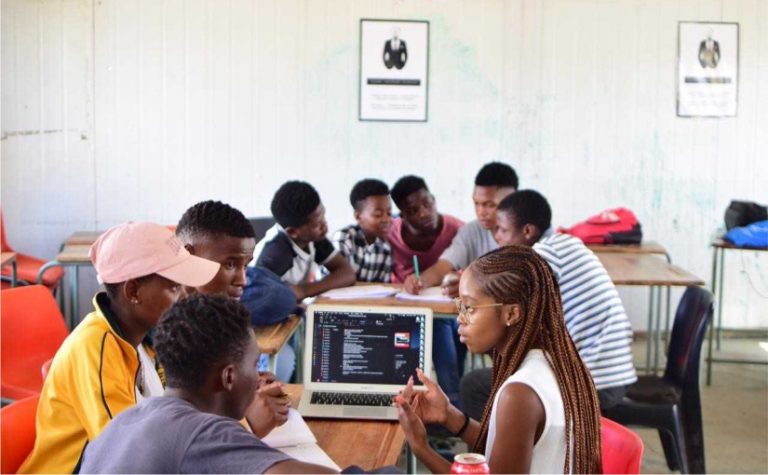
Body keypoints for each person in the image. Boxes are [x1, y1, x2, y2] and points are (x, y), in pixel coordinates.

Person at [20, 222, 220, 473]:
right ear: (133, 291)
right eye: (174, 287)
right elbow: (126, 450)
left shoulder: (146, 341)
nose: (185, 297)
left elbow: (176, 410)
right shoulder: (94, 348)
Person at [394, 246, 602, 474]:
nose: (460, 318)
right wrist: (450, 416)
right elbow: (507, 452)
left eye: (470, 307)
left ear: (511, 314)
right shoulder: (556, 362)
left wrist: (421, 447)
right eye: (460, 306)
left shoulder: (520, 393)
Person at [79, 294, 337, 474]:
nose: (258, 376)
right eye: (255, 365)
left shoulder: (123, 423)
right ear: (228, 377)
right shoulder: (204, 432)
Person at [461, 190, 637, 419]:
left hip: (594, 380)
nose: (497, 238)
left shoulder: (543, 255)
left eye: (503, 230)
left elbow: (498, 297)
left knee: (474, 386)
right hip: (613, 375)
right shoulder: (565, 245)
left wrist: (466, 286)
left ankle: (506, 452)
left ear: (527, 231)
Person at [176, 199, 295, 409]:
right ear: (188, 256)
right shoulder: (167, 331)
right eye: (230, 264)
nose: (243, 280)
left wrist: (249, 384)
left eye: (245, 266)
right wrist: (247, 417)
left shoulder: (220, 318)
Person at [387, 174, 465, 407]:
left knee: (450, 328)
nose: (423, 212)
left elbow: (470, 269)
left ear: (433, 199)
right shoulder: (391, 234)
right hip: (407, 311)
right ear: (402, 215)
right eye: (413, 210)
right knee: (437, 328)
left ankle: (453, 404)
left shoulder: (456, 229)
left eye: (427, 203)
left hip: (448, 307)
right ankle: (449, 403)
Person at [402, 162, 518, 297]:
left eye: (489, 205)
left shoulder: (527, 233)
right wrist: (420, 281)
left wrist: (471, 286)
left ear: (512, 200)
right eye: (476, 203)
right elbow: (444, 266)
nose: (480, 212)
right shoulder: (471, 231)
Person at [254, 181, 355, 301]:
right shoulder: (276, 253)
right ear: (293, 232)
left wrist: (304, 290)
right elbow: (259, 297)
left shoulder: (313, 237)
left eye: (323, 215)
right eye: (317, 224)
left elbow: (347, 273)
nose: (324, 225)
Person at [333, 178, 393, 283]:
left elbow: (382, 291)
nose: (386, 220)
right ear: (358, 216)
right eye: (378, 215)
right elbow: (333, 283)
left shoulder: (385, 248)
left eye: (389, 213)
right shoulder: (344, 239)